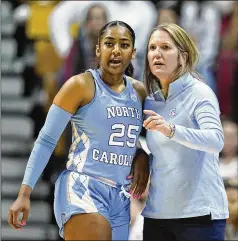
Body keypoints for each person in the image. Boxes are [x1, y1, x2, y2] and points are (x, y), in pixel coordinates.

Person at [8, 21, 149, 240]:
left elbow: (126, 138)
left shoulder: (139, 92)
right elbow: (46, 140)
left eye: (124, 45)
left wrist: (140, 154)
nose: (116, 51)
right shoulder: (80, 85)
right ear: (98, 49)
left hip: (121, 196)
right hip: (83, 186)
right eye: (109, 43)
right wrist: (24, 193)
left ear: (133, 52)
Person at [141, 23, 229, 240]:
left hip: (199, 216)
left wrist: (171, 130)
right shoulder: (151, 102)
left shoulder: (200, 93)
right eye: (152, 48)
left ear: (183, 56)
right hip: (157, 215)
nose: (157, 54)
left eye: (165, 47)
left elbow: (216, 140)